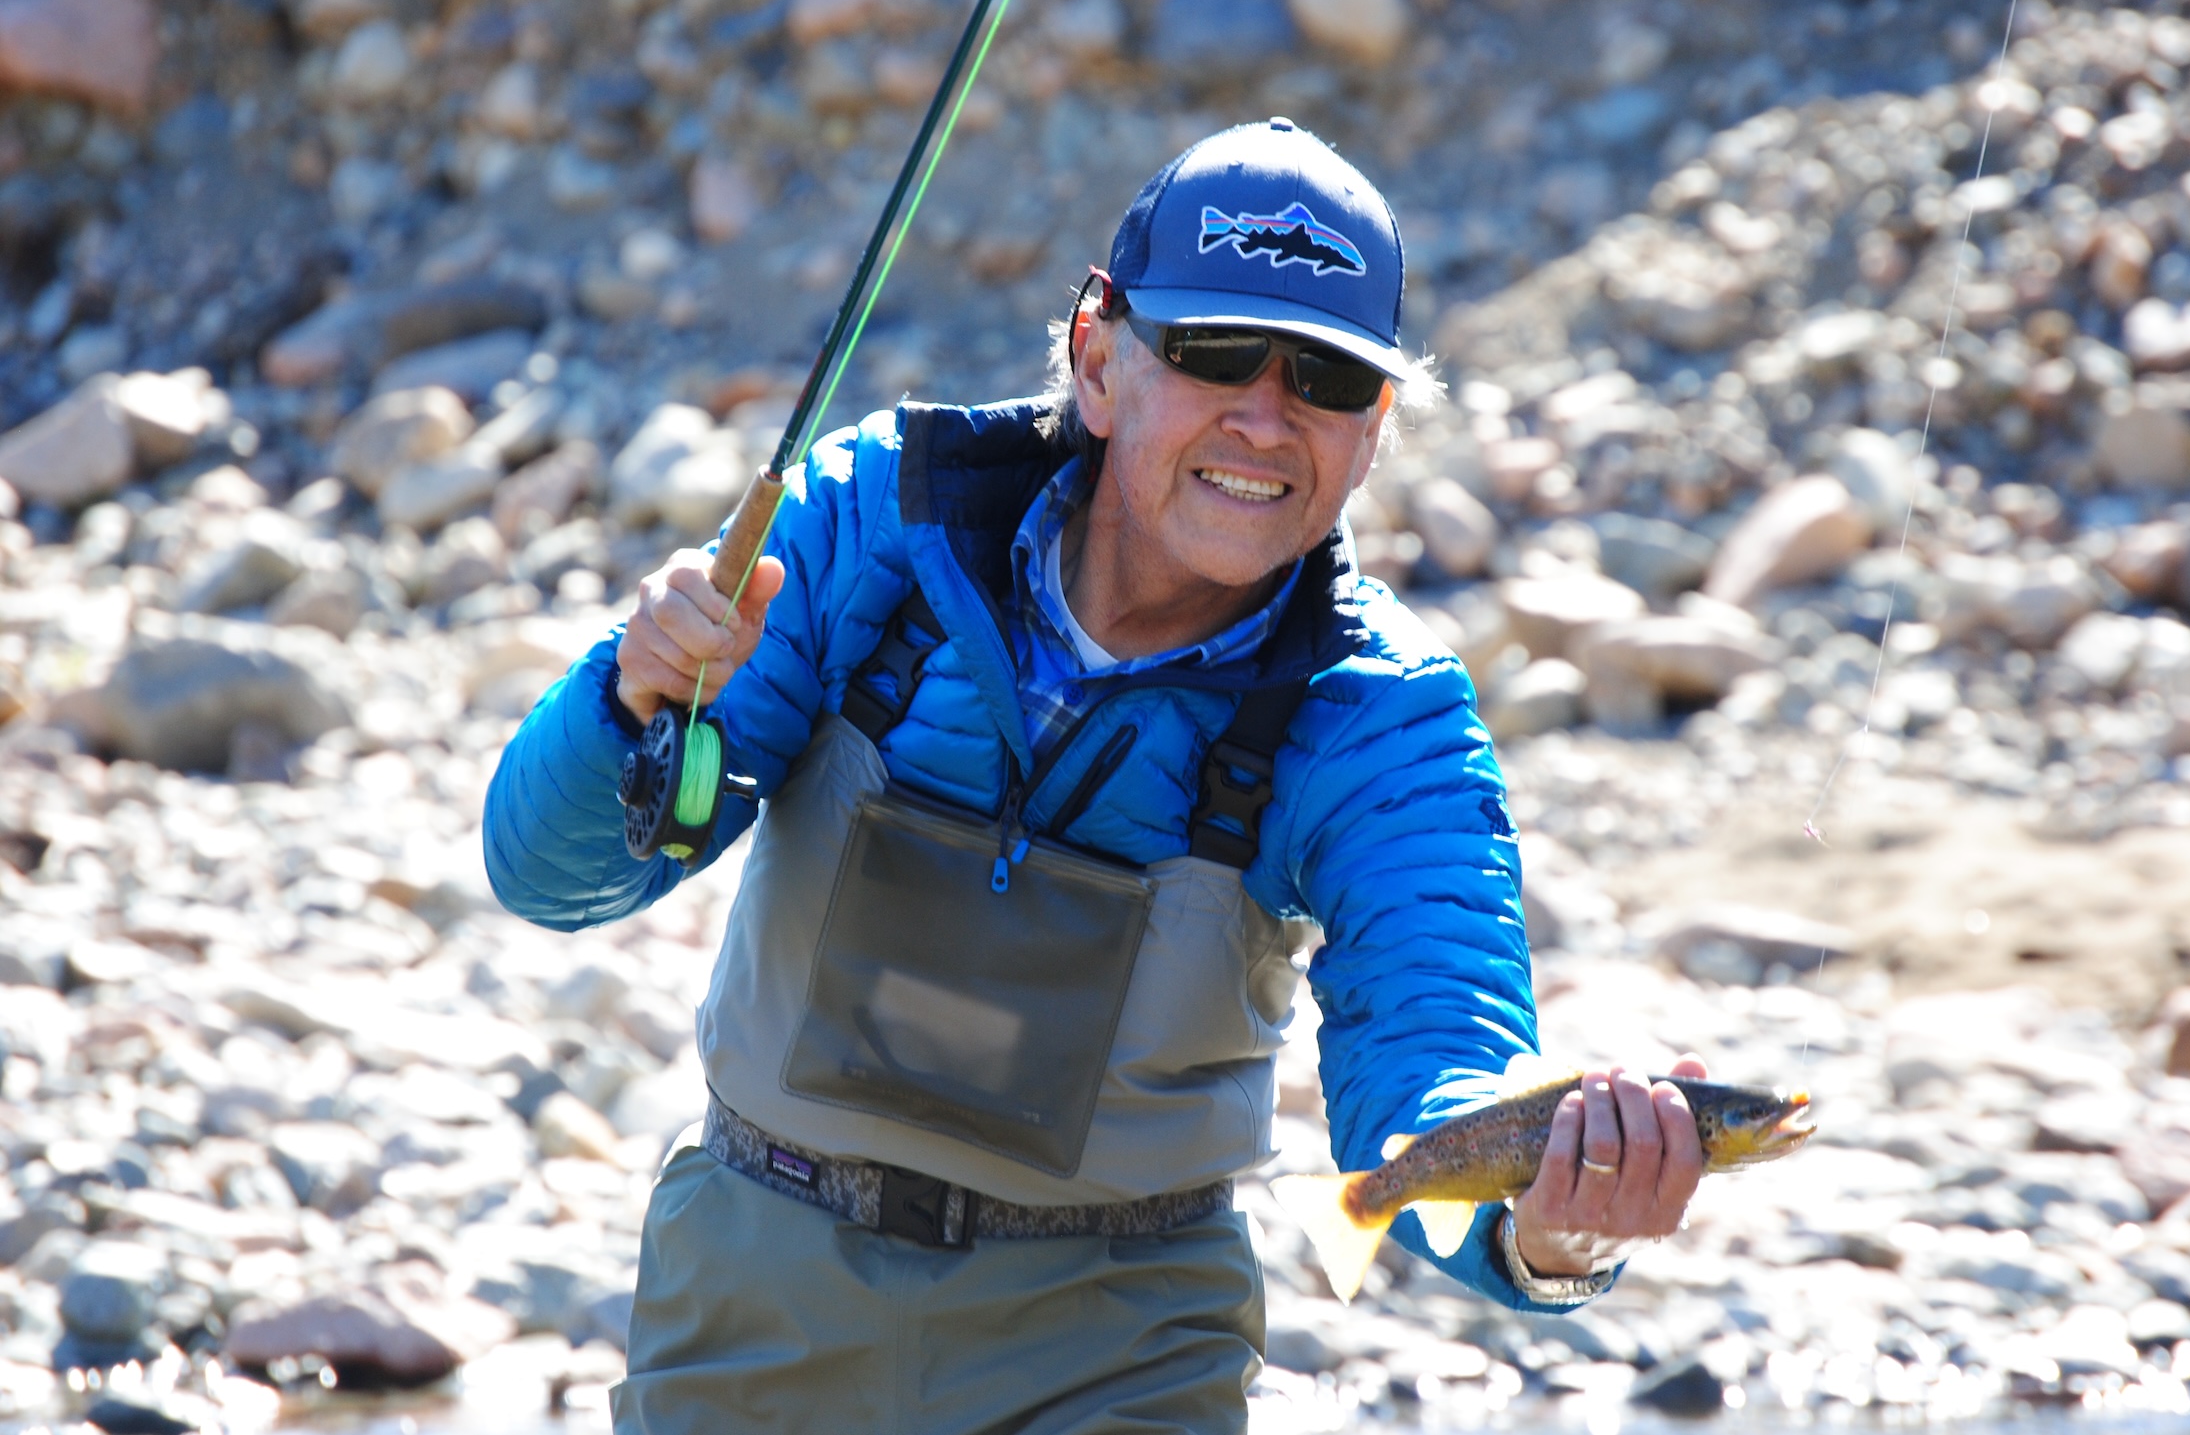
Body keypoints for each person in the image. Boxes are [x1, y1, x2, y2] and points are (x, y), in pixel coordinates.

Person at [484, 119, 1711, 1434]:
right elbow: (550, 879)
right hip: (753, 1298)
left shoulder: (1383, 718)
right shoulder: (870, 519)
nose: (1265, 415)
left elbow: (1436, 1070)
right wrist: (630, 698)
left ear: (1374, 432)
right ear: (1099, 354)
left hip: (1120, 1351)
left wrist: (1554, 1217)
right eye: (1216, 352)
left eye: (1329, 380)